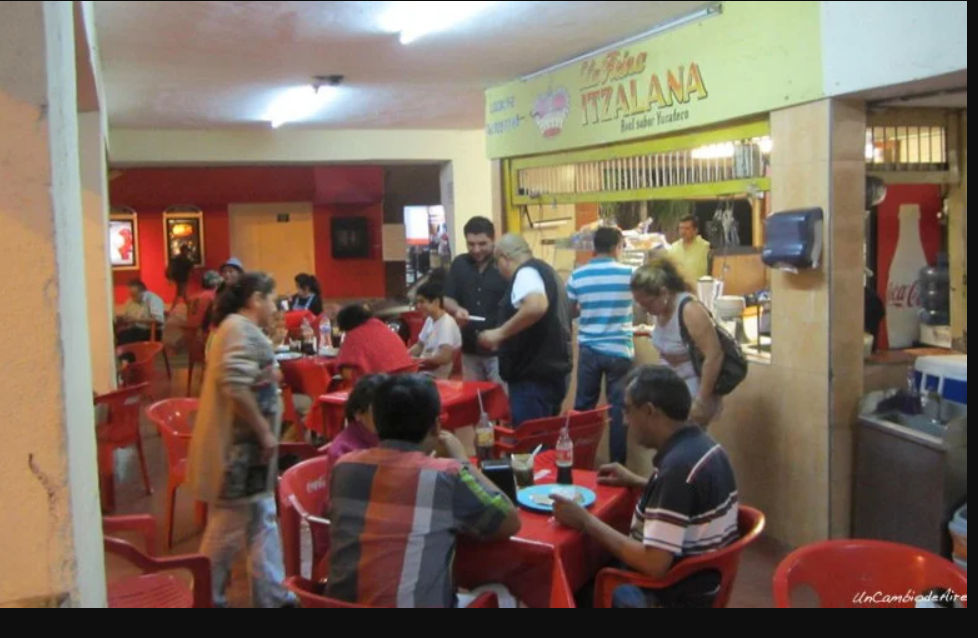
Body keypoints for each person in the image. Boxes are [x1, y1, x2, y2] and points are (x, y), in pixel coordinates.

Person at [551, 365, 738, 608]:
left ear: (650, 411)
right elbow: (689, 502)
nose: (625, 421)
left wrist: (586, 521)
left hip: (670, 595)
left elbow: (654, 564)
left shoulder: (677, 470)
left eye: (628, 410)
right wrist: (641, 482)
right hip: (703, 583)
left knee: (570, 582)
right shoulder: (706, 446)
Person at [326, 374, 521, 607]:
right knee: (503, 593)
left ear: (376, 420)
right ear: (436, 426)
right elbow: (509, 521)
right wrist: (462, 462)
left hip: (335, 605)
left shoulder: (344, 467)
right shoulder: (446, 475)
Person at [186, 271, 295, 607]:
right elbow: (234, 384)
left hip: (250, 453)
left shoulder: (240, 329)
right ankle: (206, 597)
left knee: (261, 519)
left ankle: (272, 594)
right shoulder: (237, 328)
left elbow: (249, 374)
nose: (275, 307)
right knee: (226, 530)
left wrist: (269, 371)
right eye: (272, 299)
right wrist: (263, 431)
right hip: (239, 451)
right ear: (255, 299)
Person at [478, 234, 572, 426]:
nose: (498, 270)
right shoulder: (549, 272)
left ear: (504, 258)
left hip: (532, 379)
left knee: (530, 440)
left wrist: (499, 333)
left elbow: (536, 306)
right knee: (544, 437)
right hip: (553, 373)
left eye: (497, 263)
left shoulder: (526, 273)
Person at [566, 226, 635, 464]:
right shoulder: (630, 274)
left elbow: (569, 311)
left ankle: (578, 463)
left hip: (589, 350)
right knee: (618, 412)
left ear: (595, 247)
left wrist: (588, 310)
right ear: (617, 246)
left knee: (584, 410)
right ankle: (617, 467)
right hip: (620, 350)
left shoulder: (578, 276)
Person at [630, 256, 724, 426]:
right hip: (672, 389)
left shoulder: (689, 310)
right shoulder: (660, 310)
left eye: (648, 304)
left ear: (664, 293)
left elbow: (714, 355)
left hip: (693, 390)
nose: (646, 310)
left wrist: (701, 401)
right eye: (640, 305)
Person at [443, 216, 508, 384]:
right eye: (471, 244)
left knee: (501, 397)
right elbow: (447, 298)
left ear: (493, 240)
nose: (476, 249)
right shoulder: (459, 264)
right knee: (473, 396)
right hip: (470, 349)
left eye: (482, 244)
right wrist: (457, 310)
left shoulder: (504, 265)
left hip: (501, 351)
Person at [320, 373, 387, 511]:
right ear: (358, 413)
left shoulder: (389, 437)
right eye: (379, 410)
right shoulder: (343, 452)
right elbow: (345, 506)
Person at [335, 303, 415, 377]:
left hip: (380, 384)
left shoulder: (354, 335)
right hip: (407, 378)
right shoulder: (383, 327)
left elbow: (347, 371)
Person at [409, 280, 462, 379]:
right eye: (417, 302)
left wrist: (419, 361)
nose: (418, 306)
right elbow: (420, 345)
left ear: (436, 302)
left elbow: (445, 357)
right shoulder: (430, 319)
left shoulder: (447, 323)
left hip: (435, 377)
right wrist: (404, 357)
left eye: (422, 302)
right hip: (423, 372)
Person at [115, 278, 166, 344]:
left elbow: (159, 320)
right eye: (130, 294)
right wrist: (123, 319)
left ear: (143, 292)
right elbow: (128, 318)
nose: (132, 297)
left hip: (151, 331)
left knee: (124, 338)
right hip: (136, 330)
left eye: (134, 294)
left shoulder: (153, 299)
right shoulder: (130, 301)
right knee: (116, 335)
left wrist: (137, 320)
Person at [667, 215, 711, 285]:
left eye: (687, 228)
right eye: (681, 228)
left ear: (695, 230)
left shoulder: (706, 247)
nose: (683, 232)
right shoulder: (673, 247)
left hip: (699, 287)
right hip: (678, 288)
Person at [166, 243, 195, 310]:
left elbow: (170, 268)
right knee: (179, 294)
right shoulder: (187, 260)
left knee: (183, 294)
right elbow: (191, 270)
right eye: (187, 250)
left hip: (179, 278)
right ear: (184, 250)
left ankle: (190, 308)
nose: (187, 252)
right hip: (183, 279)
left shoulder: (176, 259)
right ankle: (171, 310)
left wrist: (170, 278)